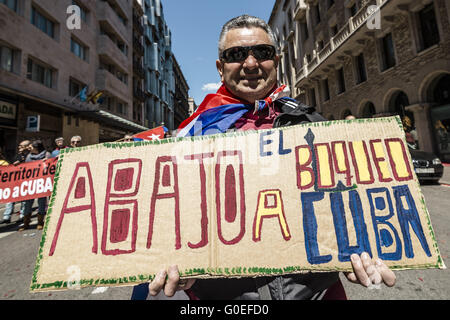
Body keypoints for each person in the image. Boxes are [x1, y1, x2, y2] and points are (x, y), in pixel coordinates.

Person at [135, 15, 396, 300]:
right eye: (236, 55)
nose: (250, 63)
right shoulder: (191, 137)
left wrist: (361, 250)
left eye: (262, 53)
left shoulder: (315, 126)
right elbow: (169, 221)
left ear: (276, 60)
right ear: (220, 68)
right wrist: (177, 263)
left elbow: (347, 205)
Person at [19, 140, 51, 231]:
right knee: (27, 204)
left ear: (37, 148)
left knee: (41, 203)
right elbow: (25, 168)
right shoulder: (29, 156)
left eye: (31, 147)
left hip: (42, 183)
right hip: (30, 183)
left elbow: (52, 164)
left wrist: (47, 162)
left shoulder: (47, 155)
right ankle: (26, 223)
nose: (30, 148)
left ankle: (40, 222)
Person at [0, 140, 30, 224]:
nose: (19, 147)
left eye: (21, 146)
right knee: (11, 198)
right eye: (19, 146)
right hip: (15, 180)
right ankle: (7, 216)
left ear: (27, 147)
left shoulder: (30, 156)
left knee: (24, 199)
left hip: (25, 180)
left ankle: (22, 216)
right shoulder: (17, 155)